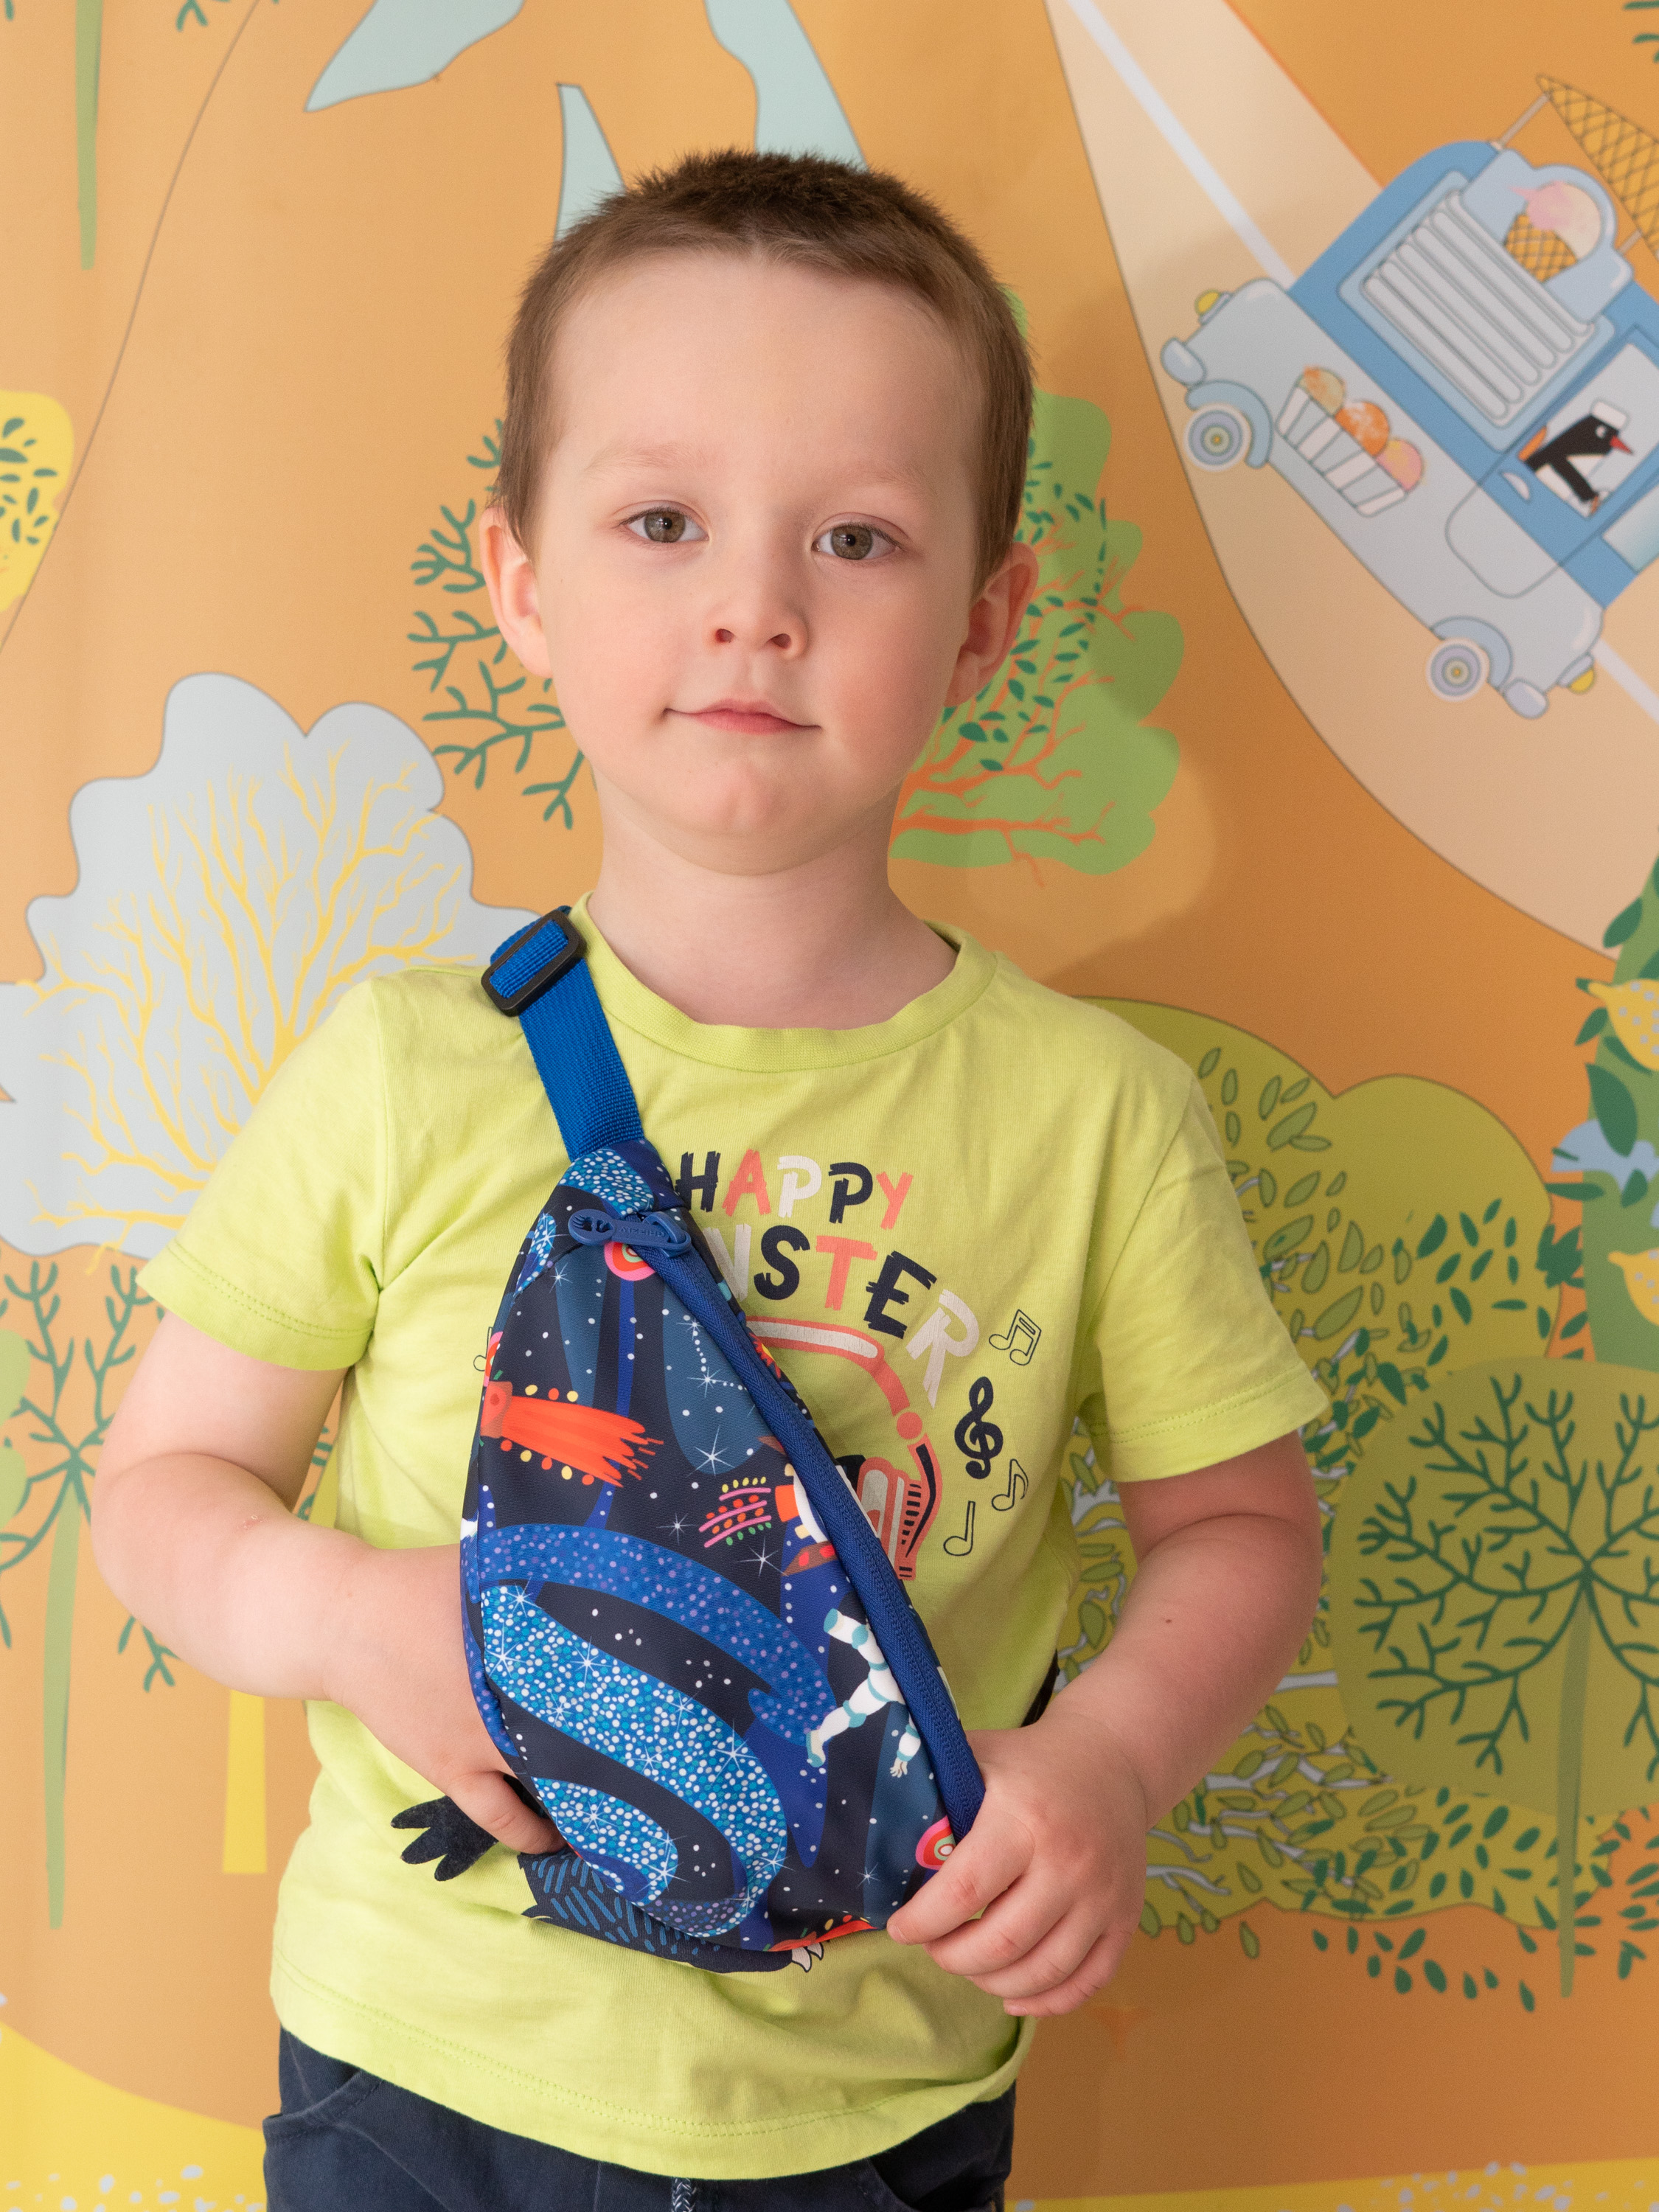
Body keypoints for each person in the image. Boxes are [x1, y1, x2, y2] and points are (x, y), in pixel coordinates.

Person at [92, 149, 1328, 2211]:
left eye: (857, 536)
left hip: (879, 2102)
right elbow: (158, 1491)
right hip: (423, 2065)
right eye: (663, 522)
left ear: (983, 623)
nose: (757, 604)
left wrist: (1114, 1760)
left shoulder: (1097, 1116)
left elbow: (1243, 1526)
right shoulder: (400, 1075)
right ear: (522, 584)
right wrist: (351, 1615)